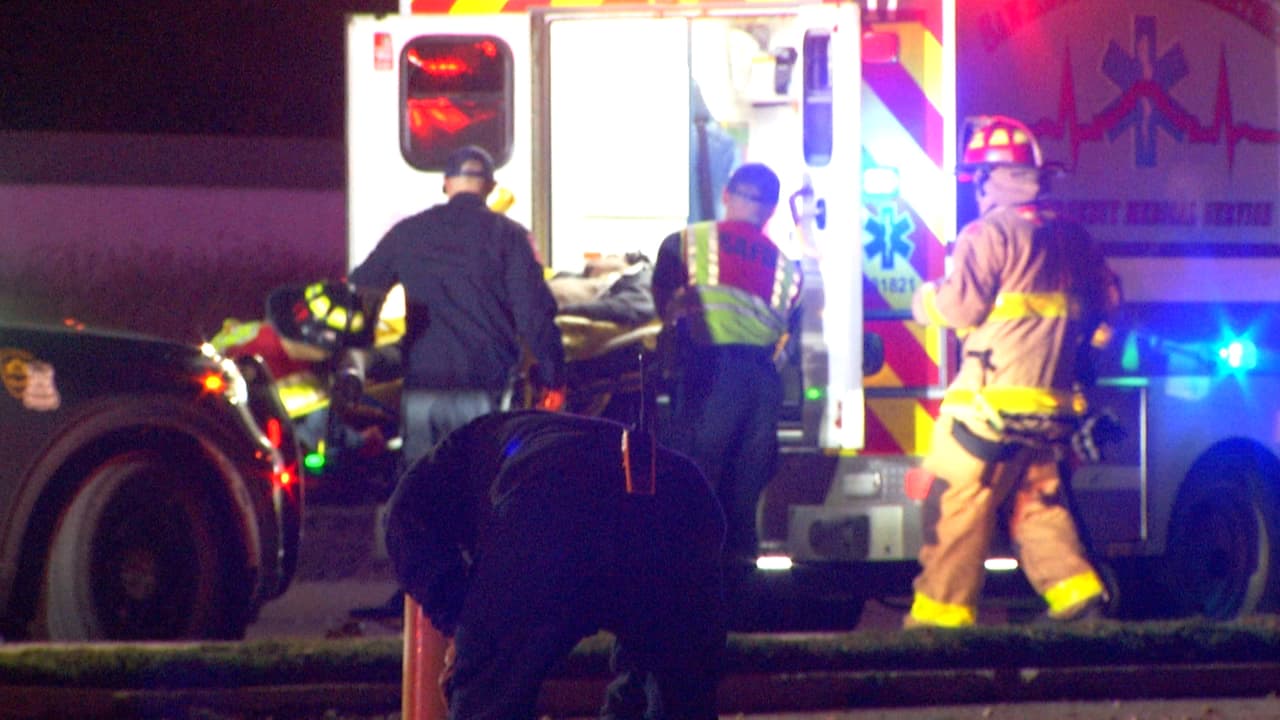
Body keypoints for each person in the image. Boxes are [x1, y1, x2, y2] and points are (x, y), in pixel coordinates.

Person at [903, 115, 1123, 628]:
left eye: (976, 180)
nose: (975, 191)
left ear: (987, 178)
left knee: (953, 506)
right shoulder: (1074, 238)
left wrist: (924, 300)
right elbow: (1108, 305)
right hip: (1050, 413)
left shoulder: (988, 232)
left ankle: (938, 623)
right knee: (1037, 506)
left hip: (987, 411)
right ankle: (1079, 603)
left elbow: (960, 310)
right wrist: (1079, 353)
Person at [385, 409, 727, 720]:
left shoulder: (442, 476)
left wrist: (460, 623)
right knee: (678, 687)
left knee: (489, 695)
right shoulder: (503, 441)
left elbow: (402, 524)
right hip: (681, 499)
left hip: (549, 504)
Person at [347, 144, 565, 619]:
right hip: (485, 387)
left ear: (446, 184)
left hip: (424, 384)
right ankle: (480, 594)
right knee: (479, 486)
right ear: (488, 189)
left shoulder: (411, 233)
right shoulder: (507, 237)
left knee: (419, 488)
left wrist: (357, 352)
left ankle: (414, 596)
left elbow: (361, 287)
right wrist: (552, 372)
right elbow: (534, 312)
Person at [650, 162, 801, 565]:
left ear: (727, 195)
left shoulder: (683, 243)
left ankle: (691, 584)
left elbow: (663, 310)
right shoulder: (788, 267)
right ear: (771, 210)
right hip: (763, 383)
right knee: (745, 490)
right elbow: (789, 329)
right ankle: (740, 588)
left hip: (711, 374)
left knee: (696, 479)